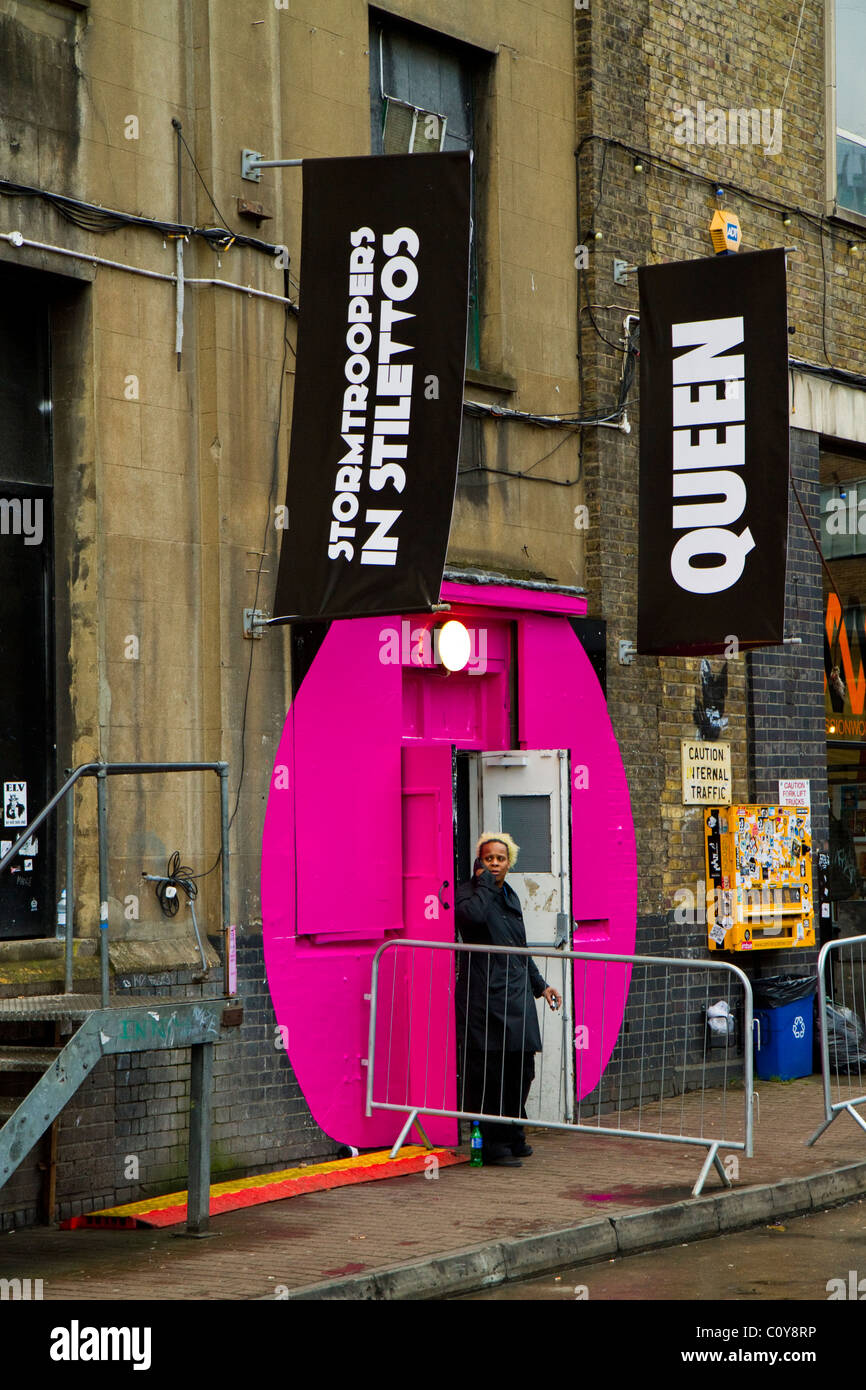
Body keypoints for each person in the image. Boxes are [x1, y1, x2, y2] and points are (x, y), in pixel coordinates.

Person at [455, 832, 561, 1167]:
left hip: (516, 997)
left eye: (501, 859)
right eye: (489, 858)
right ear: (479, 862)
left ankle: (513, 1131)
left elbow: (519, 947)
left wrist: (540, 985)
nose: (496, 864)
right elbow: (470, 920)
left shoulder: (511, 897)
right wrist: (484, 884)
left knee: (521, 1070)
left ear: (509, 862)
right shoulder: (469, 894)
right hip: (484, 998)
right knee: (489, 1074)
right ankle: (491, 1144)